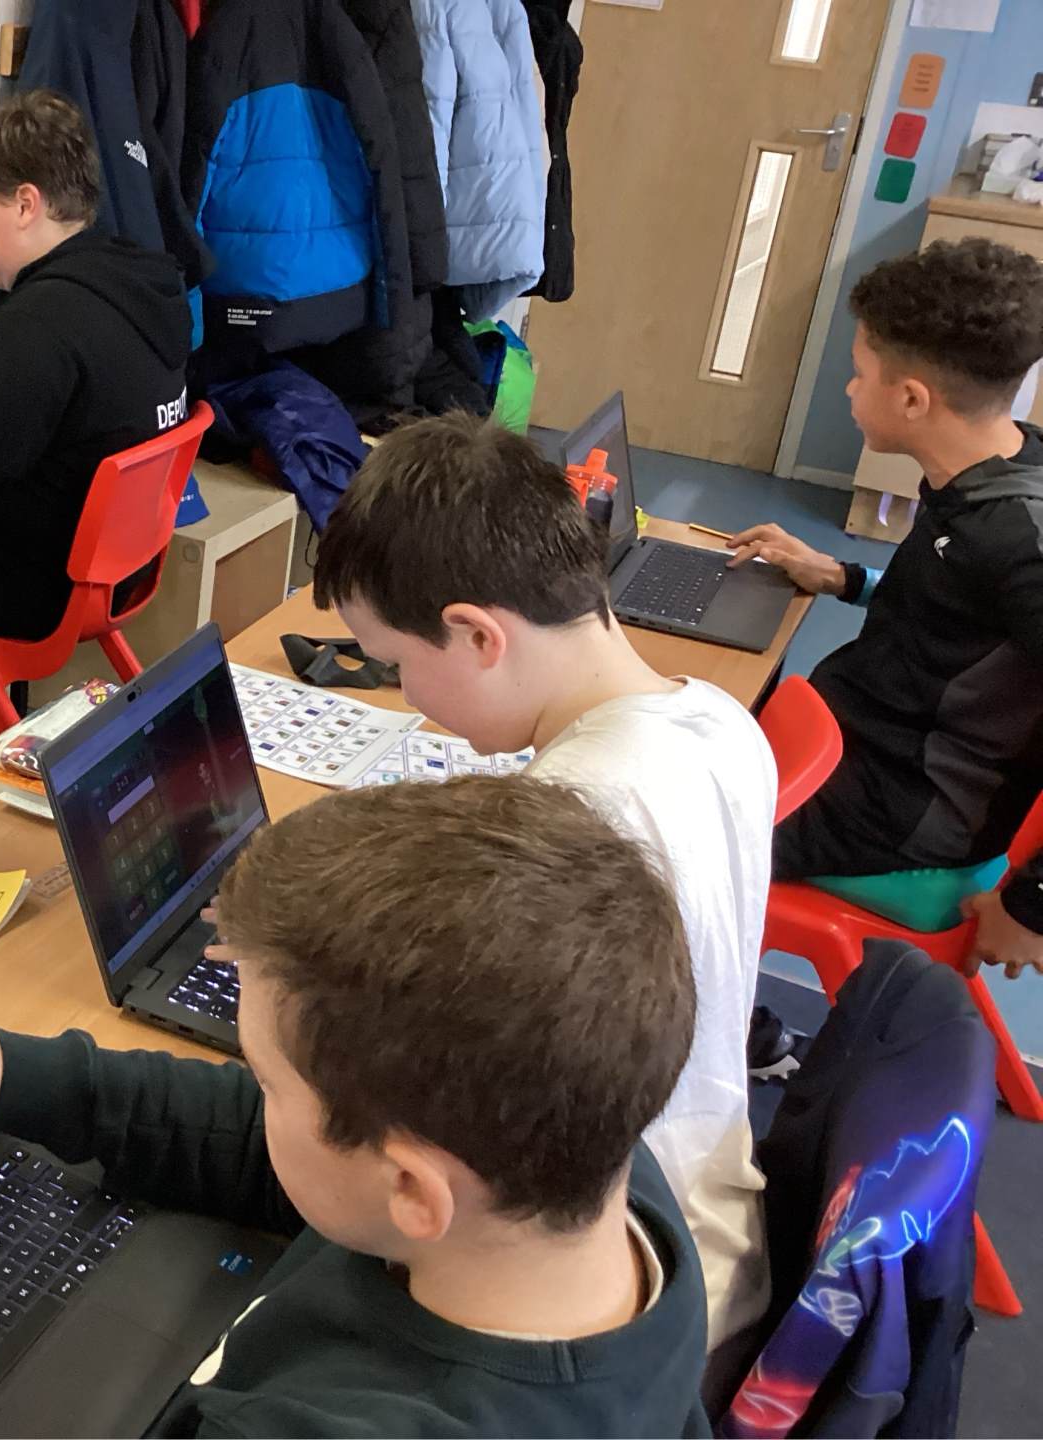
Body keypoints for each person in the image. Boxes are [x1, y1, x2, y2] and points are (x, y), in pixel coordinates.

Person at [0, 779, 710, 1436]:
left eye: (267, 1080)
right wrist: (7, 1074)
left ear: (412, 1189)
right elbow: (278, 1149)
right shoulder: (590, 1181)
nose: (250, 1098)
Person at [310, 413, 777, 1382]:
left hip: (619, 1286)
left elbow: (466, 1090)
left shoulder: (572, 820)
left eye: (398, 664)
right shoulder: (717, 717)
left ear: (478, 634)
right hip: (709, 1209)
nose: (404, 694)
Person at [728, 238, 1043, 981]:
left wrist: (1032, 906)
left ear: (911, 399)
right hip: (863, 746)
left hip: (901, 809)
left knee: (642, 834)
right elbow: (967, 615)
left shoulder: (1020, 541)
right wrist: (843, 577)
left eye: (859, 371)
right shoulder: (1001, 464)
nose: (848, 388)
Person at [0, 89, 193, 650]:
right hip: (119, 566)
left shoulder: (41, 319)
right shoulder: (135, 284)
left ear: (26, 204)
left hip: (37, 583)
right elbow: (88, 386)